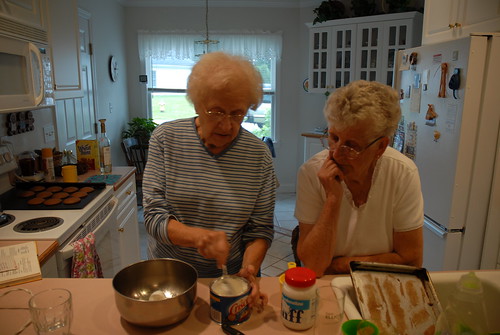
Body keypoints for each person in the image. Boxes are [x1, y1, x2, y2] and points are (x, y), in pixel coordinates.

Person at [142, 52, 276, 309]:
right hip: (170, 278)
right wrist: (198, 237)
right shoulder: (166, 139)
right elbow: (154, 217)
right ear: (196, 104)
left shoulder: (258, 156)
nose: (226, 126)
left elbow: (259, 230)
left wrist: (249, 269)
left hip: (230, 279)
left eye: (237, 114)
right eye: (216, 112)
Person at [295, 80, 423, 277]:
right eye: (334, 138)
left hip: (385, 284)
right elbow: (312, 267)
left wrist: (342, 265)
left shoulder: (402, 172)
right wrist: (332, 199)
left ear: (380, 147)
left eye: (351, 145)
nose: (336, 154)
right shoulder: (311, 172)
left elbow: (412, 260)